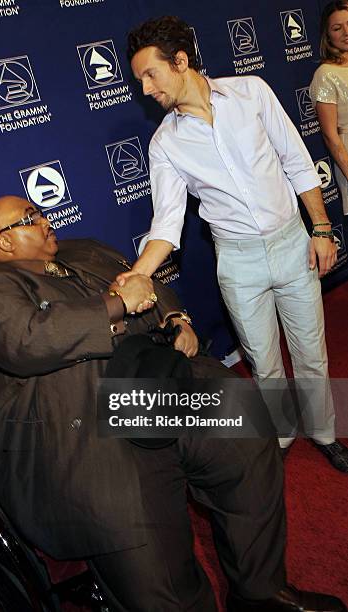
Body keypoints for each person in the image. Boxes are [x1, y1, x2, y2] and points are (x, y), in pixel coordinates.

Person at [0, 195, 346, 612]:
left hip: (160, 382)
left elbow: (149, 285)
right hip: (86, 424)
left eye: (40, 210)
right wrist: (118, 304)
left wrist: (177, 318)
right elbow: (27, 339)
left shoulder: (85, 249)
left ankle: (259, 591)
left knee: (247, 437)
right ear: (3, 243)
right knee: (152, 558)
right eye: (29, 218)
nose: (45, 219)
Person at [122, 15, 348, 471]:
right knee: (264, 364)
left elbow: (297, 161)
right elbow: (166, 224)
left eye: (151, 74)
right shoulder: (165, 144)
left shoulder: (252, 92)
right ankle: (281, 438)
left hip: (292, 243)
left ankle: (325, 433)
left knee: (310, 351)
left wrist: (321, 228)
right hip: (239, 263)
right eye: (138, 79)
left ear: (180, 61)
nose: (145, 89)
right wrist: (136, 275)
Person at [310, 0, 348, 216]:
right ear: (328, 35)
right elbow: (331, 137)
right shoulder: (326, 74)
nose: (346, 32)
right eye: (337, 28)